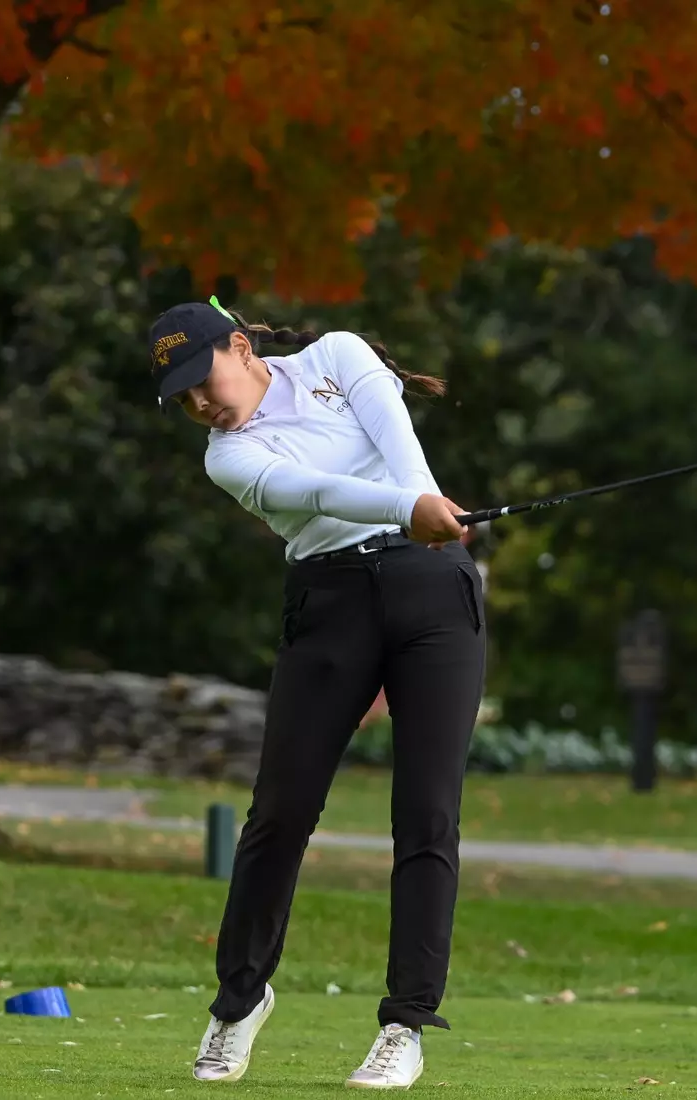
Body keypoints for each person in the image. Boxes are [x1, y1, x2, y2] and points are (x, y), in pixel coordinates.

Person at [148, 297, 487, 1090]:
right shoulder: (226, 457)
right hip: (329, 603)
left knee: (427, 811)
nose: (199, 402)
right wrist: (410, 510)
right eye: (182, 398)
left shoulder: (338, 356)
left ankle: (406, 1024)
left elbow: (401, 447)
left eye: (203, 378)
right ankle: (239, 1001)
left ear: (239, 346)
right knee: (281, 812)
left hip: (431, 592)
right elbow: (319, 494)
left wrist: (424, 507)